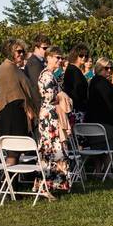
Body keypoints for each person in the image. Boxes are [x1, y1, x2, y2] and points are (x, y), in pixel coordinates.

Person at [0, 39, 36, 165]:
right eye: (18, 51)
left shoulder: (13, 67)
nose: (21, 54)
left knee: (16, 152)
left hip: (16, 113)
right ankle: (9, 182)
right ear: (10, 51)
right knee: (13, 152)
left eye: (23, 51)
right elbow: (15, 94)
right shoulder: (7, 68)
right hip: (11, 114)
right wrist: (28, 108)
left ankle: (12, 182)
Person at [38, 46, 73, 194]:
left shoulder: (52, 75)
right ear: (49, 58)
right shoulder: (46, 75)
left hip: (53, 115)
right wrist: (62, 96)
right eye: (57, 57)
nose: (59, 60)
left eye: (61, 58)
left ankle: (55, 184)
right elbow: (50, 96)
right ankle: (46, 185)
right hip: (49, 116)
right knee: (50, 150)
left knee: (56, 150)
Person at [86, 56, 113, 149]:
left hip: (96, 122)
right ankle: (109, 164)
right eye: (106, 68)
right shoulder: (102, 83)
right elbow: (111, 99)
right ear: (99, 68)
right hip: (106, 124)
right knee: (107, 151)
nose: (109, 70)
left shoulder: (93, 81)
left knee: (98, 152)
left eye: (111, 68)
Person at [63, 43, 90, 123]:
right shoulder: (73, 70)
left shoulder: (75, 69)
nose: (84, 58)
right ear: (75, 55)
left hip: (78, 108)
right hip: (76, 109)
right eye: (81, 55)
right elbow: (76, 91)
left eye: (86, 56)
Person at [24, 34, 49, 112]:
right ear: (36, 48)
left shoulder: (40, 61)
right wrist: (40, 108)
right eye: (45, 48)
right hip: (39, 106)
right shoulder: (34, 63)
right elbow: (36, 87)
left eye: (48, 48)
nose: (47, 50)